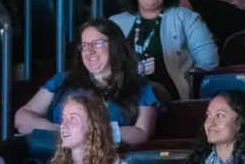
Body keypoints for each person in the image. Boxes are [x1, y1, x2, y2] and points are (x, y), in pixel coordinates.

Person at [14, 19, 160, 151]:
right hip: (52, 158)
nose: (89, 51)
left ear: (115, 46)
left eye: (97, 43)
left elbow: (142, 132)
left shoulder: (138, 86)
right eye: (84, 45)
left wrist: (92, 132)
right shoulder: (63, 80)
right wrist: (59, 130)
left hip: (106, 163)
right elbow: (21, 118)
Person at [111, 0, 218, 101]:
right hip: (124, 98)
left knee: (149, 91)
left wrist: (187, 75)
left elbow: (209, 63)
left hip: (170, 99)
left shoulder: (185, 17)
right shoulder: (115, 23)